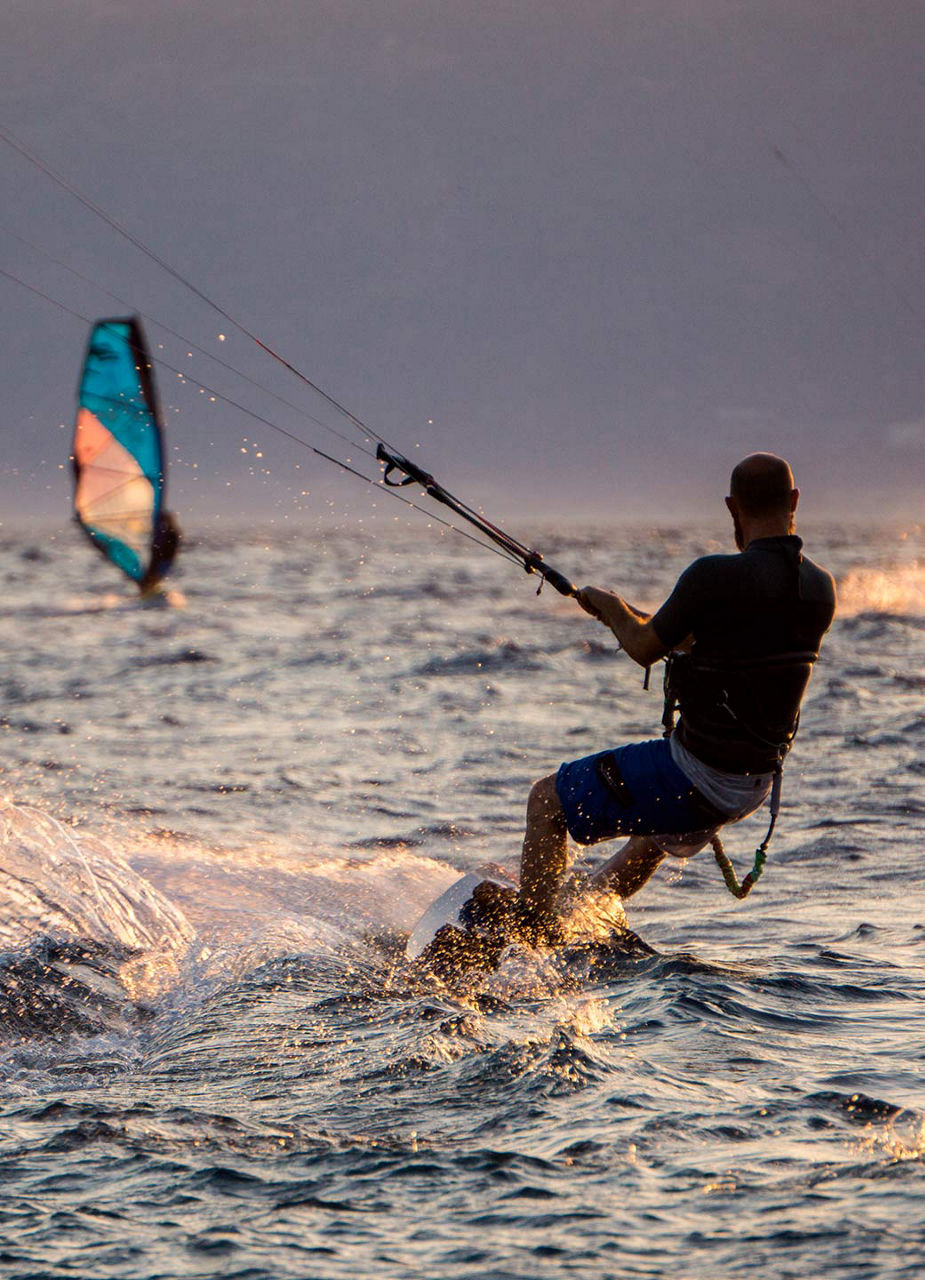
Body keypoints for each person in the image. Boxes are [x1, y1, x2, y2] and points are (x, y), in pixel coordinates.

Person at [512, 452, 837, 940]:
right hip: (750, 786)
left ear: (732, 508)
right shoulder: (819, 588)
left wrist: (612, 607)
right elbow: (727, 641)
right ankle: (574, 916)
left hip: (697, 774)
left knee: (546, 801)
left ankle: (532, 933)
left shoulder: (712, 576)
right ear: (794, 500)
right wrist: (646, 621)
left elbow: (645, 648)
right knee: (651, 836)